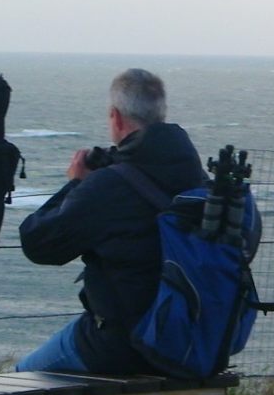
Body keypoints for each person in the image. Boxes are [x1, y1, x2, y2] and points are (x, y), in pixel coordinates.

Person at [16, 68, 210, 374]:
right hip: (192, 340)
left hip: (124, 345)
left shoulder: (109, 185)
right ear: (161, 113)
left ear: (116, 117)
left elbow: (37, 244)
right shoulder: (199, 178)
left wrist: (76, 183)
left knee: (25, 376)